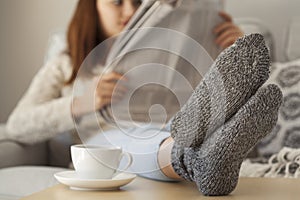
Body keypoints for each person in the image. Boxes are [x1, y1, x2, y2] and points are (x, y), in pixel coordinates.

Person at [6, 0, 282, 196]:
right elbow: (17, 124)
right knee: (128, 142)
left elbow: (260, 106)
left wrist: (226, 48)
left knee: (169, 130)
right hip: (107, 143)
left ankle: (199, 156)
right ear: (91, 6)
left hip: (168, 127)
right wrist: (81, 103)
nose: (128, 10)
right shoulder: (67, 61)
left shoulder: (179, 52)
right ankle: (192, 155)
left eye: (138, 2)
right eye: (116, 2)